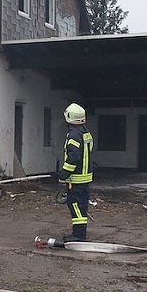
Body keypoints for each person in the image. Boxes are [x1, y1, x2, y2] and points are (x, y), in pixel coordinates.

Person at [56, 103, 94, 242]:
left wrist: (64, 174)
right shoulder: (86, 133)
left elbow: (74, 157)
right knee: (82, 207)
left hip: (76, 180)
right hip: (85, 178)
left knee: (75, 206)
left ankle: (78, 235)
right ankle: (80, 233)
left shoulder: (73, 136)